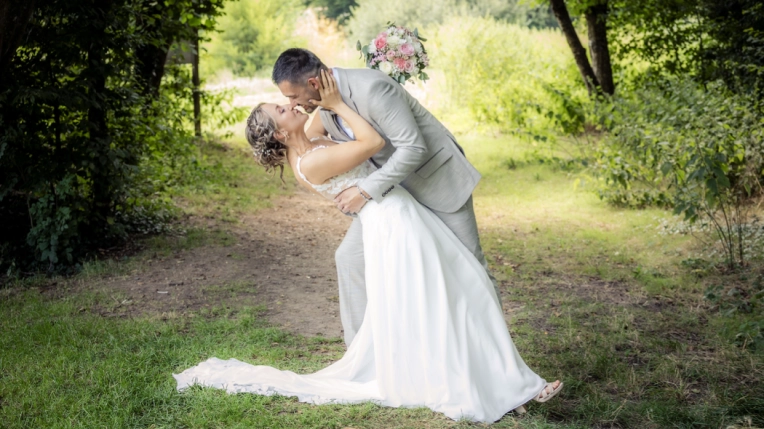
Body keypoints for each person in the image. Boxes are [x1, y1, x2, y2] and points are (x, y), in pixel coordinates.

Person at [174, 70, 562, 423]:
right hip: (393, 223)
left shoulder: (310, 143)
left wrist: (341, 91)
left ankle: (508, 381)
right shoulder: (310, 162)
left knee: (462, 290)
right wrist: (339, 103)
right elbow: (372, 141)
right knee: (454, 295)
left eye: (286, 99)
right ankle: (500, 383)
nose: (290, 104)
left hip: (401, 215)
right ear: (279, 133)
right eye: (281, 108)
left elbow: (319, 113)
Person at [272, 48, 498, 347]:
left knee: (470, 270)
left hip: (435, 181)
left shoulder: (371, 88)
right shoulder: (322, 106)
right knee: (349, 259)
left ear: (314, 83)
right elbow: (304, 151)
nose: (292, 103)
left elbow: (413, 149)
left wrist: (364, 192)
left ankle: (501, 363)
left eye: (293, 96)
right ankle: (363, 356)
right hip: (392, 200)